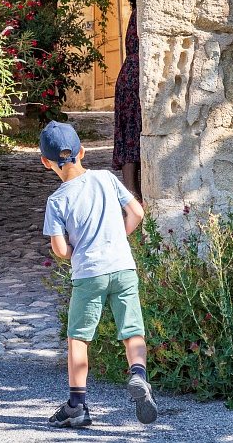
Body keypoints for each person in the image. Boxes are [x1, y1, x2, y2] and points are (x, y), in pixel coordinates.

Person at [40, 120, 157, 429]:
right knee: (132, 330)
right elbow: (137, 212)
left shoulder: (56, 201)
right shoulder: (106, 178)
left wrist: (76, 252)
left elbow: (60, 249)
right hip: (123, 267)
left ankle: (77, 406)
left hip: (89, 274)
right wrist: (118, 237)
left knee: (79, 338)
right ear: (82, 151)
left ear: (45, 162)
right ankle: (138, 374)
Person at [113, 0, 143, 201]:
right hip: (137, 77)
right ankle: (133, 193)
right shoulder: (144, 15)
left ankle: (132, 193)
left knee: (128, 134)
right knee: (133, 133)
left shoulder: (135, 13)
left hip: (128, 75)